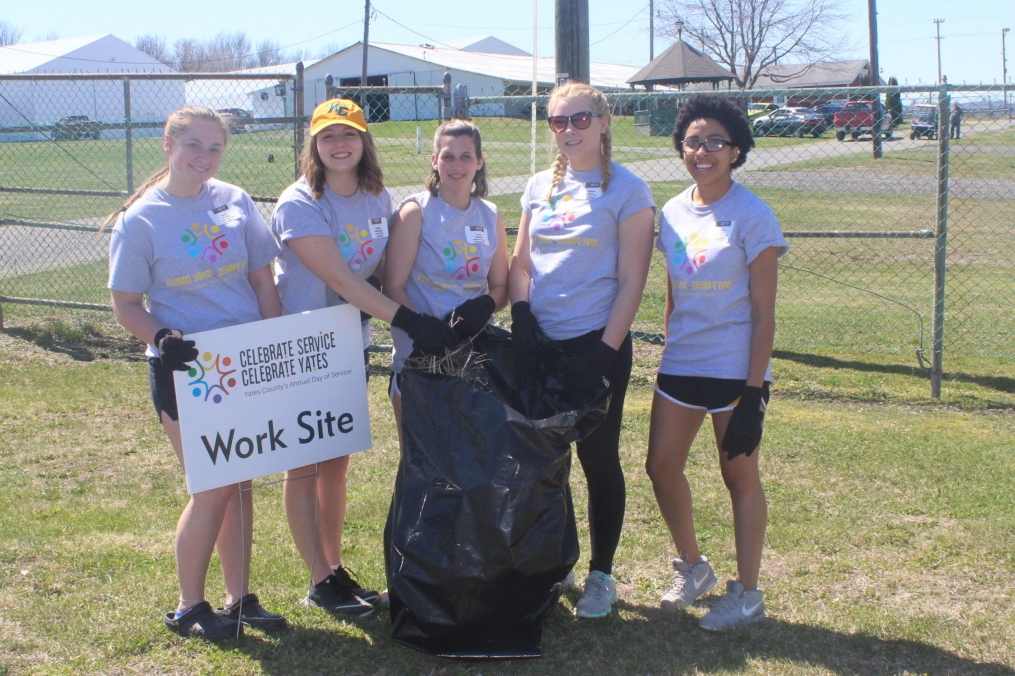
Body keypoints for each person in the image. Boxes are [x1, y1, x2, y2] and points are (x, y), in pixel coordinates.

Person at [105, 105, 287, 640]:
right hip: (188, 371)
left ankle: (238, 598)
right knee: (212, 485)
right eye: (193, 146)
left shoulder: (235, 200)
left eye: (214, 148)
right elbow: (126, 304)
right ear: (168, 144)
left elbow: (262, 281)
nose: (204, 158)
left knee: (242, 483)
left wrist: (271, 342)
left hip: (244, 359)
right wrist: (162, 339)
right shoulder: (140, 218)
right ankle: (189, 607)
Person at [271, 99, 458, 616]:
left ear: (363, 141)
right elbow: (341, 279)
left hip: (350, 344)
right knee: (304, 466)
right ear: (314, 144)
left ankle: (333, 568)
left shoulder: (377, 196)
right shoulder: (300, 201)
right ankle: (317, 578)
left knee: (335, 464)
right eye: (328, 136)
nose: (339, 144)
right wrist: (412, 321)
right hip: (303, 346)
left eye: (348, 134)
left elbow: (385, 269)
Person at [508, 82, 656, 618]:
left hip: (597, 345)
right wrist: (521, 313)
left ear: (603, 122)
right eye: (557, 122)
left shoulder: (629, 191)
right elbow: (521, 262)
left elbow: (632, 279)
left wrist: (602, 352)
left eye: (579, 120)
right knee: (546, 460)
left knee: (597, 459)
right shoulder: (537, 187)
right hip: (541, 346)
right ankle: (557, 559)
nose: (568, 131)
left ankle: (601, 574)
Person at [644, 93, 788, 631]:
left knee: (739, 477)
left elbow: (764, 313)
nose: (702, 151)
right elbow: (673, 291)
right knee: (661, 467)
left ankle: (748, 594)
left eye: (715, 142)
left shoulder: (754, 214)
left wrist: (754, 392)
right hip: (682, 364)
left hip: (734, 370)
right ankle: (694, 567)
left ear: (736, 150)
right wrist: (669, 339)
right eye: (693, 141)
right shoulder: (672, 210)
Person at [384, 119, 509, 433]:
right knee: (420, 460)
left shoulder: (490, 215)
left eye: (466, 156)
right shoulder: (416, 212)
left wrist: (483, 308)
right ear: (434, 161)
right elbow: (392, 286)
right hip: (421, 353)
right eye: (448, 156)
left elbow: (501, 286)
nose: (457, 165)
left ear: (479, 162)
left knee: (471, 459)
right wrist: (422, 328)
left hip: (472, 353)